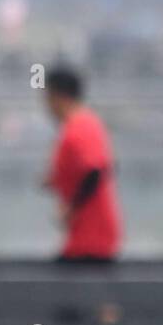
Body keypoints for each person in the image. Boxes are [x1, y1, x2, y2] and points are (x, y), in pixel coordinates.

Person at [41, 65, 122, 263]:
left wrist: (71, 209)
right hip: (84, 238)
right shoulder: (80, 125)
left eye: (47, 98)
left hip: (92, 239)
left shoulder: (81, 126)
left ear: (58, 96)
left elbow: (95, 170)